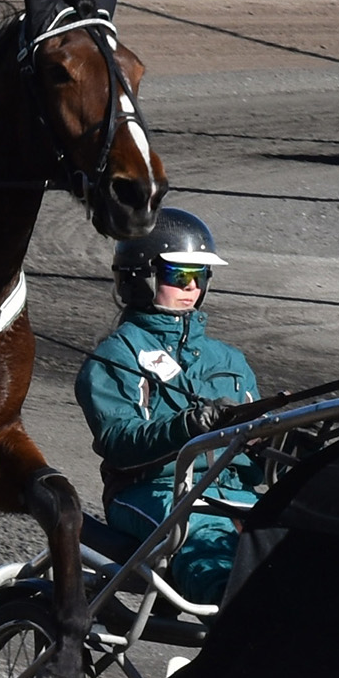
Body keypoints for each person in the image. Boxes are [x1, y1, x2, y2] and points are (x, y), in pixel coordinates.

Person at [74, 208, 262, 605]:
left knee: (303, 534)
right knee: (210, 547)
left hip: (231, 494)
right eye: (179, 275)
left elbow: (258, 455)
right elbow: (118, 441)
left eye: (201, 275)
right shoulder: (116, 355)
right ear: (140, 278)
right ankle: (235, 634)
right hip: (150, 492)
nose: (191, 287)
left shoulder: (231, 361)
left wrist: (286, 441)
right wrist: (190, 425)